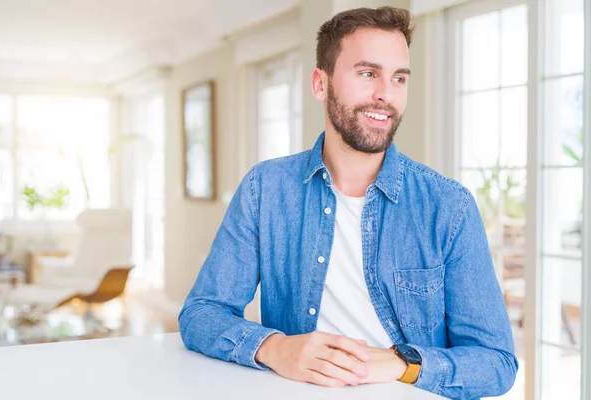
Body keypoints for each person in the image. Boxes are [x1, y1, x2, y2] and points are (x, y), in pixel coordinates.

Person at [179, 6, 518, 399]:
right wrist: (275, 348)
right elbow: (200, 313)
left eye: (398, 78)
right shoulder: (265, 189)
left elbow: (496, 362)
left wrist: (401, 364)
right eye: (367, 73)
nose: (385, 94)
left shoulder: (448, 206)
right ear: (320, 84)